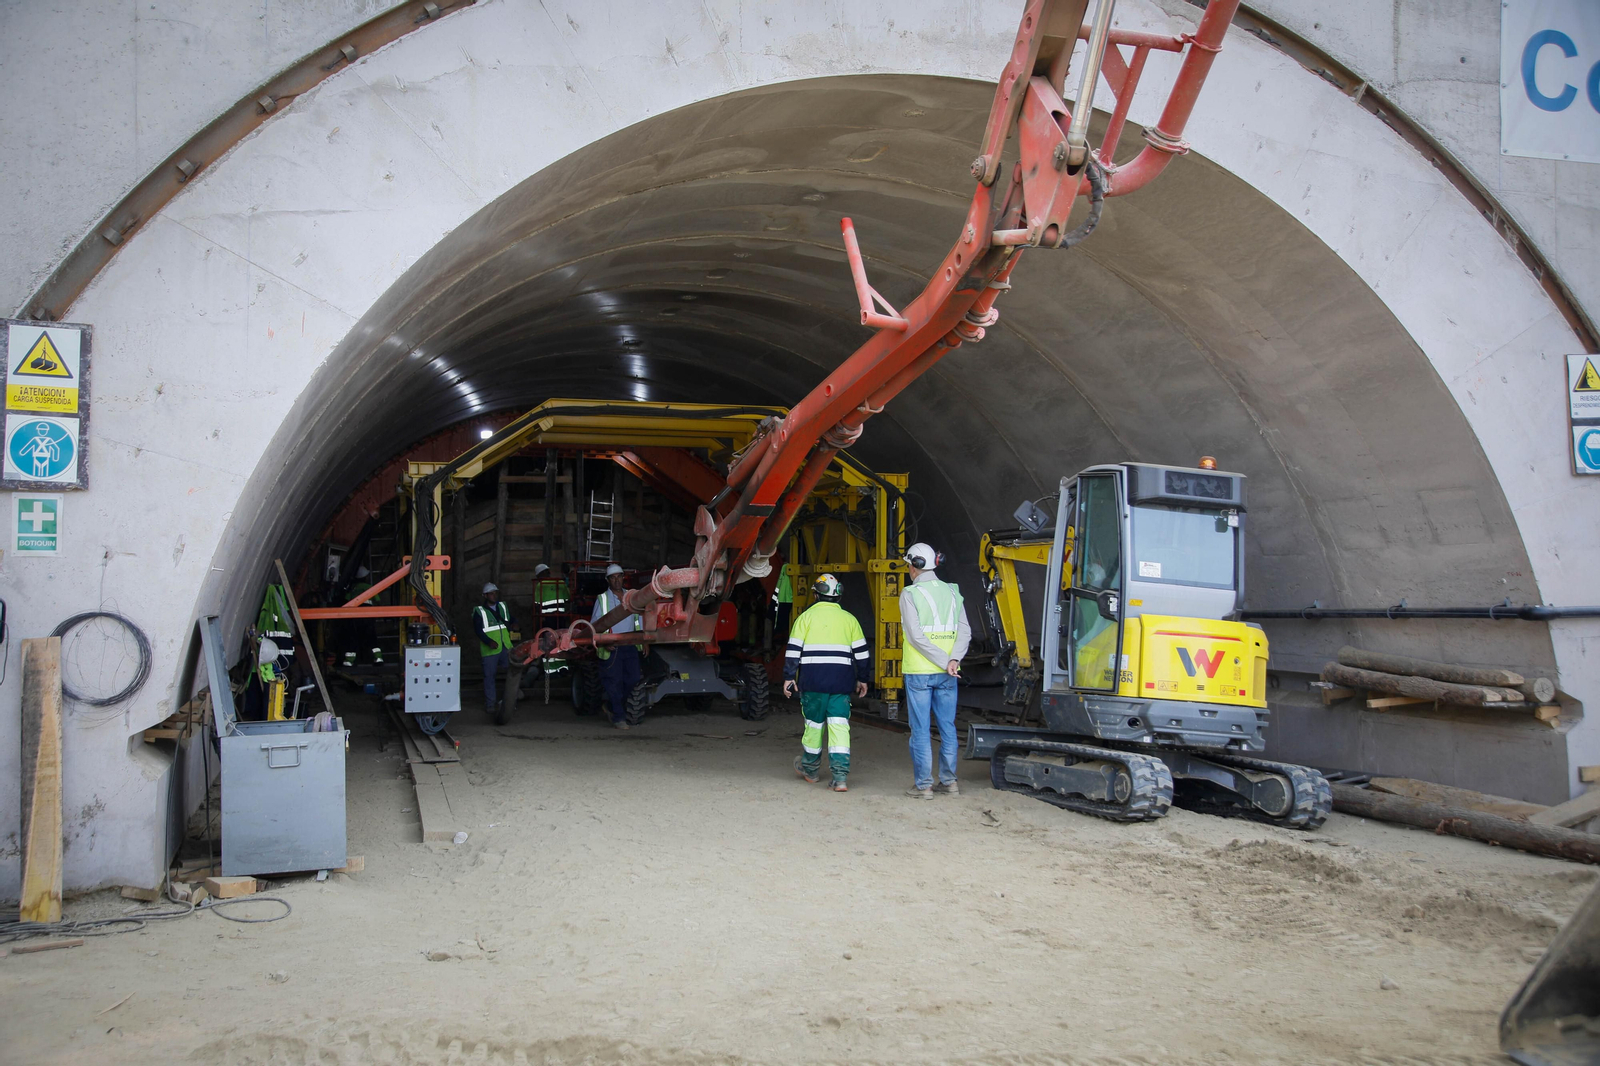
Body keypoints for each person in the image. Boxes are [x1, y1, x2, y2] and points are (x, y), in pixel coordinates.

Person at [784, 574, 871, 792]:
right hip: (841, 684)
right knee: (839, 728)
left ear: (815, 594)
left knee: (813, 727)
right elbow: (862, 654)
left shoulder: (804, 618)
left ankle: (811, 770)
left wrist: (788, 677)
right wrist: (863, 679)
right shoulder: (850, 620)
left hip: (812, 683)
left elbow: (793, 652)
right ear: (838, 596)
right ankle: (840, 777)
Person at [898, 542, 970, 800]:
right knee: (948, 727)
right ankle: (950, 783)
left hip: (919, 672)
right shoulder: (953, 592)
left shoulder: (909, 594)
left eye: (908, 564)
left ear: (914, 566)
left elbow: (915, 636)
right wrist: (953, 660)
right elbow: (965, 631)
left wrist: (943, 660)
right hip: (948, 673)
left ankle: (924, 786)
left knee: (920, 730)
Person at [592, 563, 642, 729]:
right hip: (611, 647)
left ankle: (613, 707)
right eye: (612, 578)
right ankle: (619, 717)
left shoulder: (633, 596)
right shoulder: (603, 599)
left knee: (633, 678)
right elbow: (595, 625)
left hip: (630, 645)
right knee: (614, 682)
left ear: (623, 577)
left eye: (619, 576)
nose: (616, 580)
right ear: (608, 580)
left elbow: (638, 620)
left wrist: (644, 641)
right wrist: (604, 641)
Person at [473, 582, 515, 716]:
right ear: (485, 595)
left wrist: (515, 624)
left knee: (512, 675)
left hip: (506, 647)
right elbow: (478, 630)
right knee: (489, 677)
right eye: (491, 593)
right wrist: (488, 641)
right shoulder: (479, 611)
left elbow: (510, 619)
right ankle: (490, 704)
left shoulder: (502, 606)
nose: (494, 595)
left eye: (495, 593)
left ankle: (509, 703)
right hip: (490, 650)